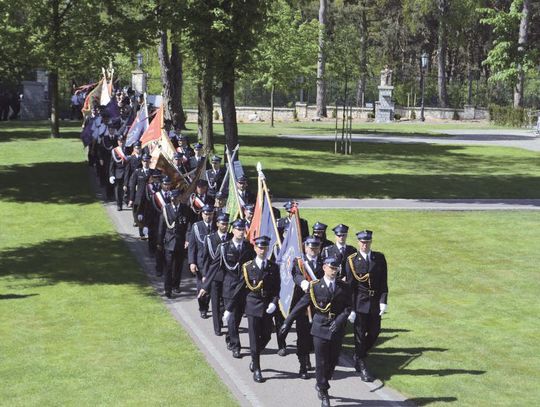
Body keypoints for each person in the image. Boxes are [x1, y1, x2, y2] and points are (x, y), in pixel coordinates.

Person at [280, 257, 352, 407]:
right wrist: (287, 322)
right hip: (320, 328)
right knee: (321, 362)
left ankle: (323, 381)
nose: (334, 271)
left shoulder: (344, 287)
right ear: (324, 268)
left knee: (332, 361)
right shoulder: (315, 287)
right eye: (331, 268)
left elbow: (348, 307)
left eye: (336, 268)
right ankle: (323, 390)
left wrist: (339, 321)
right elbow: (301, 305)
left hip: (336, 329)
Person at [200, 218, 255, 358]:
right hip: (229, 288)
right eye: (238, 229)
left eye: (243, 229)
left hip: (243, 288)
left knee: (237, 318)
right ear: (233, 230)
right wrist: (205, 287)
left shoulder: (249, 248)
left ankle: (230, 337)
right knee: (230, 316)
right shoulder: (224, 248)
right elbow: (214, 267)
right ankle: (236, 346)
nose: (241, 232)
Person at [345, 230, 388, 382]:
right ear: (358, 243)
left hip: (375, 302)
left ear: (371, 242)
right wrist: (350, 309)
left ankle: (359, 354)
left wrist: (383, 300)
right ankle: (362, 366)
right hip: (359, 303)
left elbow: (383, 282)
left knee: (375, 331)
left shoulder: (379, 258)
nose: (365, 245)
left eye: (367, 242)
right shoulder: (352, 260)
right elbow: (350, 286)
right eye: (362, 242)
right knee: (359, 336)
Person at [242, 236, 281, 383]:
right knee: (253, 339)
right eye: (259, 247)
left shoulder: (273, 267)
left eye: (264, 247)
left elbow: (277, 288)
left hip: (267, 307)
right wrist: (231, 308)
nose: (262, 250)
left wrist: (274, 302)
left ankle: (254, 356)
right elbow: (241, 288)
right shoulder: (248, 267)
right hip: (253, 306)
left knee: (267, 335)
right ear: (255, 248)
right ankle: (257, 368)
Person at [287, 235, 324, 378]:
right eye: (310, 247)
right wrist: (302, 281)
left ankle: (310, 358)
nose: (313, 250)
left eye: (316, 247)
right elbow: (295, 273)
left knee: (315, 338)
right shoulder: (300, 263)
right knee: (302, 337)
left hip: (318, 307)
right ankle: (303, 365)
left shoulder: (323, 262)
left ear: (319, 248)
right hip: (303, 306)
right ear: (305, 247)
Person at [202, 212, 232, 336]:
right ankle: (217, 327)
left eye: (226, 224)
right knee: (215, 302)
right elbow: (206, 259)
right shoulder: (210, 238)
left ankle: (223, 319)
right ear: (217, 224)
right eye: (222, 223)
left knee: (225, 303)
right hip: (215, 276)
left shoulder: (231, 238)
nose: (224, 226)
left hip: (228, 276)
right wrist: (205, 275)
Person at [157, 189, 191, 298]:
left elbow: (188, 226)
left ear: (179, 198)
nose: (173, 200)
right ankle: (168, 289)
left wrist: (187, 239)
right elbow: (161, 226)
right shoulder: (166, 209)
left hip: (180, 242)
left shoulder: (185, 209)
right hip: (169, 241)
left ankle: (176, 285)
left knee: (178, 265)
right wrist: (159, 242)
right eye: (172, 198)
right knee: (168, 266)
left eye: (175, 198)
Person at [188, 205, 217, 319]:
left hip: (213, 263)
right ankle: (203, 308)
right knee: (201, 287)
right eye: (205, 214)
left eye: (210, 214)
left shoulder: (216, 226)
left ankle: (211, 307)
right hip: (200, 263)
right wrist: (192, 262)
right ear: (202, 214)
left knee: (212, 288)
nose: (208, 216)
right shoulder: (197, 227)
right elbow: (192, 246)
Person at [128, 153, 152, 239]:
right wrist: (131, 199)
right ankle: (142, 233)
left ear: (150, 161)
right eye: (144, 161)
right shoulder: (137, 172)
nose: (146, 162)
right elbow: (132, 186)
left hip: (150, 199)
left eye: (147, 161)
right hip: (140, 199)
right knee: (140, 216)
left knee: (149, 216)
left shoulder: (153, 172)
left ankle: (148, 232)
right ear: (142, 162)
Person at [109, 135, 129, 211]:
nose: (121, 142)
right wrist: (111, 175)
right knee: (118, 190)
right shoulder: (115, 151)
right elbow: (112, 164)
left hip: (127, 172)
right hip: (118, 172)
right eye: (120, 141)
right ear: (118, 142)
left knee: (127, 188)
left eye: (123, 141)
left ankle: (127, 201)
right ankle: (119, 204)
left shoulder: (128, 150)